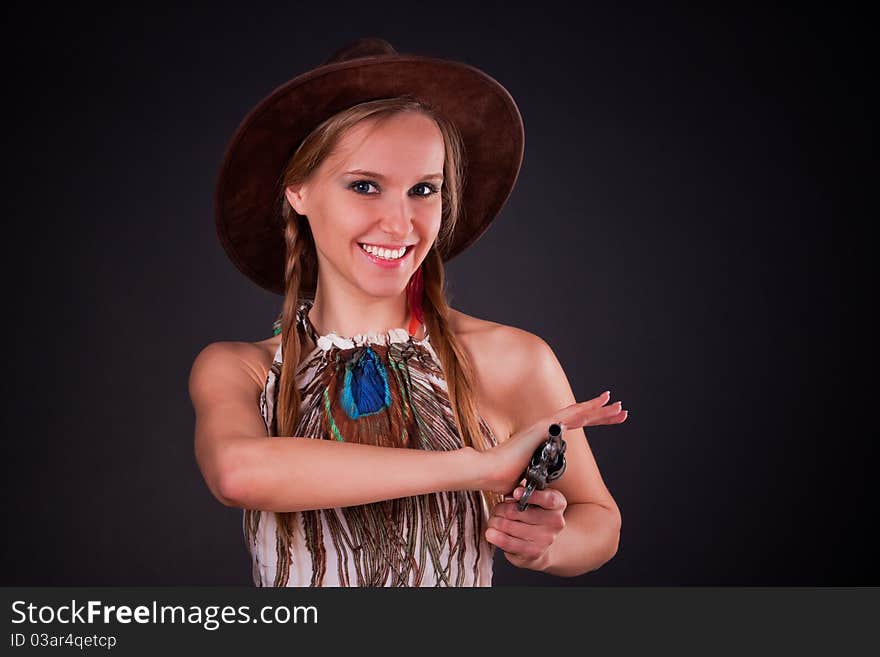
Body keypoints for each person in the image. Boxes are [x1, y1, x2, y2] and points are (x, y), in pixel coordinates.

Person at [188, 37, 628, 587]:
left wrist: (547, 543)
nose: (400, 225)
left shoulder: (508, 358)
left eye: (423, 189)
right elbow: (238, 473)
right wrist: (478, 467)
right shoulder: (243, 369)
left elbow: (599, 523)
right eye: (365, 186)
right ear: (298, 191)